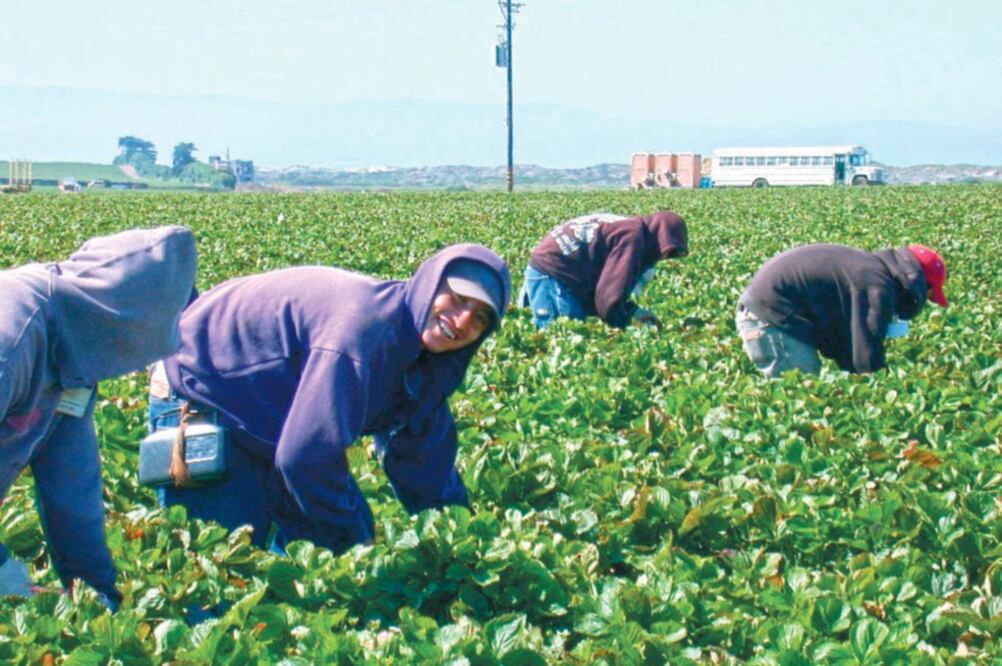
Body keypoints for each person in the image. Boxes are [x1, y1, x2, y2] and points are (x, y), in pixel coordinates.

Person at [147, 244, 510, 556]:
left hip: (277, 411)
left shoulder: (430, 365)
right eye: (457, 299)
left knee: (324, 537)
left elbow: (423, 462)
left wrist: (465, 543)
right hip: (202, 381)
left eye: (480, 318)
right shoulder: (364, 335)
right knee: (224, 556)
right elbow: (305, 458)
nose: (462, 321)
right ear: (429, 285)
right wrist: (357, 544)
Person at [0, 226, 197, 606]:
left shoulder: (77, 347)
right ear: (121, 319)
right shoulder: (13, 336)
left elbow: (71, 489)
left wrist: (97, 596)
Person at [735, 243, 948, 377]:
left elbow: (846, 340)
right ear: (918, 283)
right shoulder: (876, 284)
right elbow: (865, 348)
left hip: (774, 313)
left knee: (806, 385)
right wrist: (879, 386)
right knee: (799, 387)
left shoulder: (872, 269)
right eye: (928, 297)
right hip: (770, 317)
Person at [521, 211, 689, 329]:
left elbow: (604, 285)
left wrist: (633, 311)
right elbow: (608, 295)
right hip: (552, 273)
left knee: (571, 330)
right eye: (665, 252)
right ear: (659, 237)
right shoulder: (632, 237)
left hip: (557, 272)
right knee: (563, 336)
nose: (660, 258)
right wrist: (627, 323)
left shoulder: (629, 227)